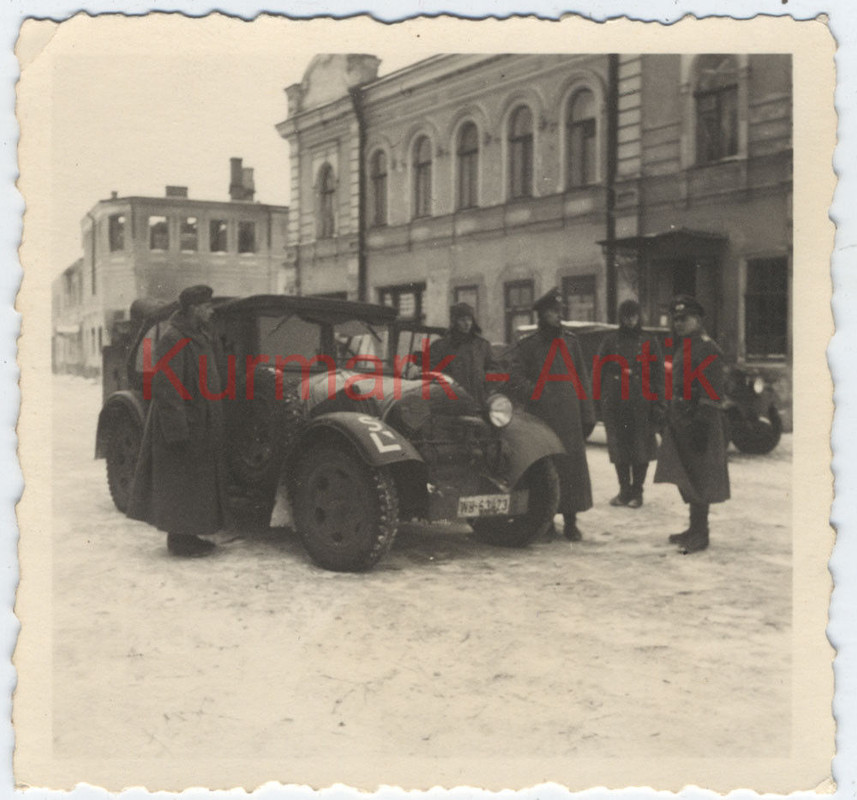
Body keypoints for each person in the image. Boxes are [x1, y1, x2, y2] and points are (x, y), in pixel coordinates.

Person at [128, 285, 230, 557]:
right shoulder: (174, 338)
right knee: (181, 482)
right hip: (183, 423)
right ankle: (179, 540)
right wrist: (177, 429)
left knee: (193, 483)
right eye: (206, 307)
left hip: (200, 421)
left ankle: (189, 535)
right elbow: (166, 387)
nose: (210, 311)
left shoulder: (199, 335)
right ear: (193, 309)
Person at [510, 288, 594, 541]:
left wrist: (587, 413)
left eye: (559, 312)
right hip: (542, 417)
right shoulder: (529, 346)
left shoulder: (571, 342)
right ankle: (546, 521)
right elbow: (515, 377)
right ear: (542, 315)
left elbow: (582, 379)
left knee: (571, 469)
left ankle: (571, 521)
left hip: (569, 416)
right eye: (552, 312)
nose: (558, 316)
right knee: (544, 469)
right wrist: (533, 391)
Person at [654, 295, 730, 554]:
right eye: (675, 319)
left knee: (701, 478)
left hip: (700, 423)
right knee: (687, 475)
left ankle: (701, 533)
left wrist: (702, 424)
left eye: (683, 319)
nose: (678, 323)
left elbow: (712, 392)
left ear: (698, 320)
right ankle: (693, 528)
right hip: (682, 420)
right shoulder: (685, 346)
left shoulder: (707, 349)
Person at [595, 298, 665, 508]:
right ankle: (624, 490)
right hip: (616, 402)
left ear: (639, 317)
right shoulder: (610, 341)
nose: (630, 321)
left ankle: (638, 492)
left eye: (634, 316)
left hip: (641, 402)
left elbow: (659, 374)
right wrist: (597, 399)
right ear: (621, 318)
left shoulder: (649, 341)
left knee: (640, 447)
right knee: (619, 447)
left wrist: (658, 402)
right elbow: (598, 370)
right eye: (626, 317)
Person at [429, 302, 499, 405]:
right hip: (450, 402)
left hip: (479, 399)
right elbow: (432, 373)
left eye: (469, 319)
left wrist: (485, 383)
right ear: (454, 322)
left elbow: (496, 369)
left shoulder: (482, 345)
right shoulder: (440, 346)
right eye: (462, 320)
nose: (467, 323)